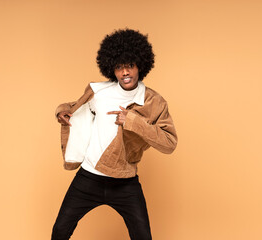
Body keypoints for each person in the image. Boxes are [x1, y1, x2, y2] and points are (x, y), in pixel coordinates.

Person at [52, 29, 177, 240]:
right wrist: (62, 111)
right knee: (60, 231)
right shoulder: (99, 92)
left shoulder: (154, 102)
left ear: (140, 66)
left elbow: (169, 143)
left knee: (143, 237)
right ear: (112, 69)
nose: (125, 72)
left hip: (125, 183)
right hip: (88, 178)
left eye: (130, 65)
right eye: (119, 67)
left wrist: (133, 121)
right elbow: (77, 107)